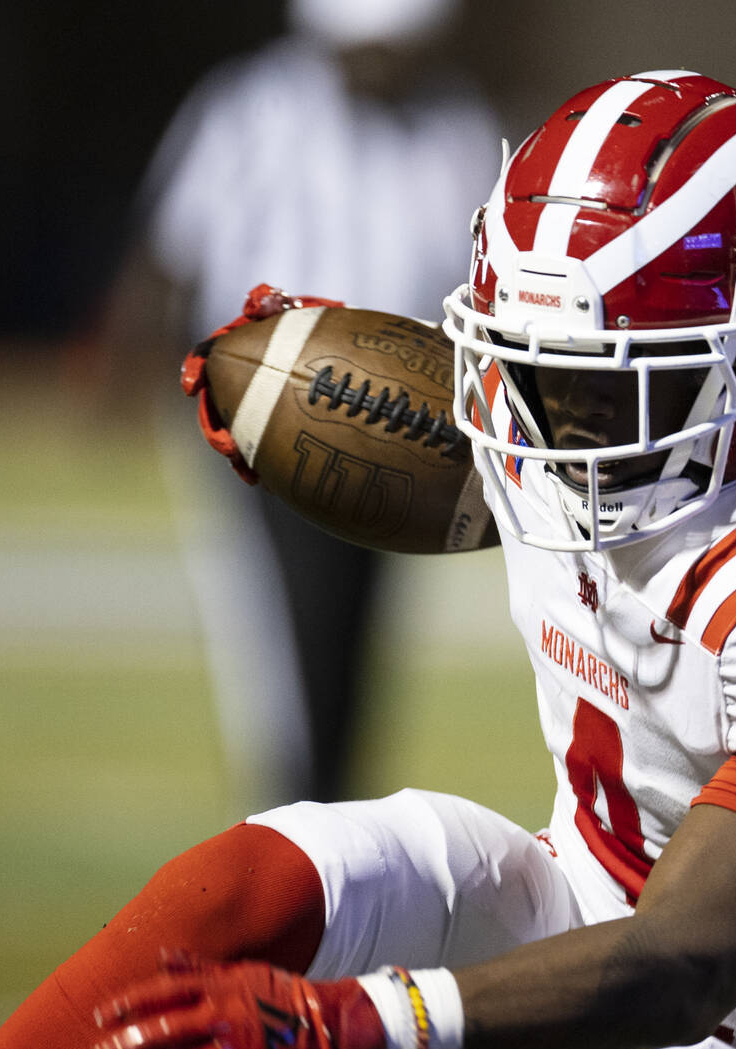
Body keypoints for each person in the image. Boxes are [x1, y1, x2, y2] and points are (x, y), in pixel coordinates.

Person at [0, 69, 736, 1049]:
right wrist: (296, 405)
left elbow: (686, 961)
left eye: (596, 392)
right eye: (522, 368)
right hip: (560, 902)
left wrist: (349, 1026)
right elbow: (484, 468)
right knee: (255, 890)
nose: (548, 431)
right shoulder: (606, 413)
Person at [97, 0, 501, 809]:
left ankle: (332, 809)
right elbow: (171, 249)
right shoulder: (251, 111)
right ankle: (295, 814)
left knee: (355, 636)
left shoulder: (458, 128)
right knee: (280, 644)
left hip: (408, 426)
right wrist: (122, 368)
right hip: (260, 423)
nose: (382, 65)